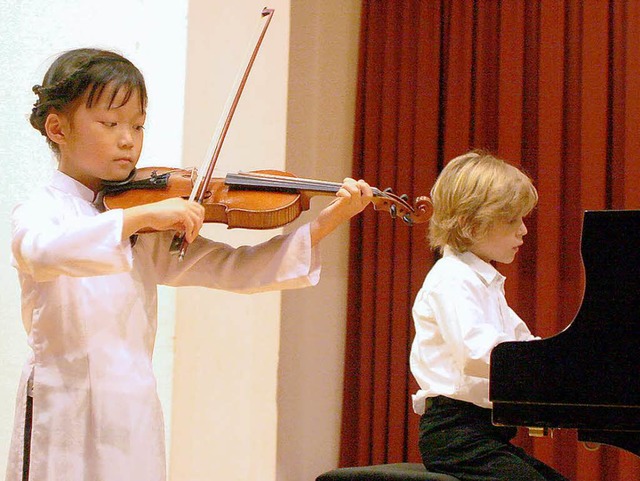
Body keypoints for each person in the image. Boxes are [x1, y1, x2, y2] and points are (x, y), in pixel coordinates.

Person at [7, 48, 372, 481]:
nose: (128, 139)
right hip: (60, 407)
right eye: (110, 123)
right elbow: (42, 252)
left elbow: (234, 266)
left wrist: (326, 222)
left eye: (138, 125)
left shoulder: (140, 214)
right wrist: (138, 218)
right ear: (57, 127)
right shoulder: (43, 210)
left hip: (131, 409)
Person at [409, 151, 570, 481]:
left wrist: (565, 363)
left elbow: (522, 344)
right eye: (512, 220)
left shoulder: (483, 282)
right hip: (456, 435)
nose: (524, 231)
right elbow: (478, 354)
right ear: (471, 222)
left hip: (483, 434)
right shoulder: (452, 278)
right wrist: (553, 366)